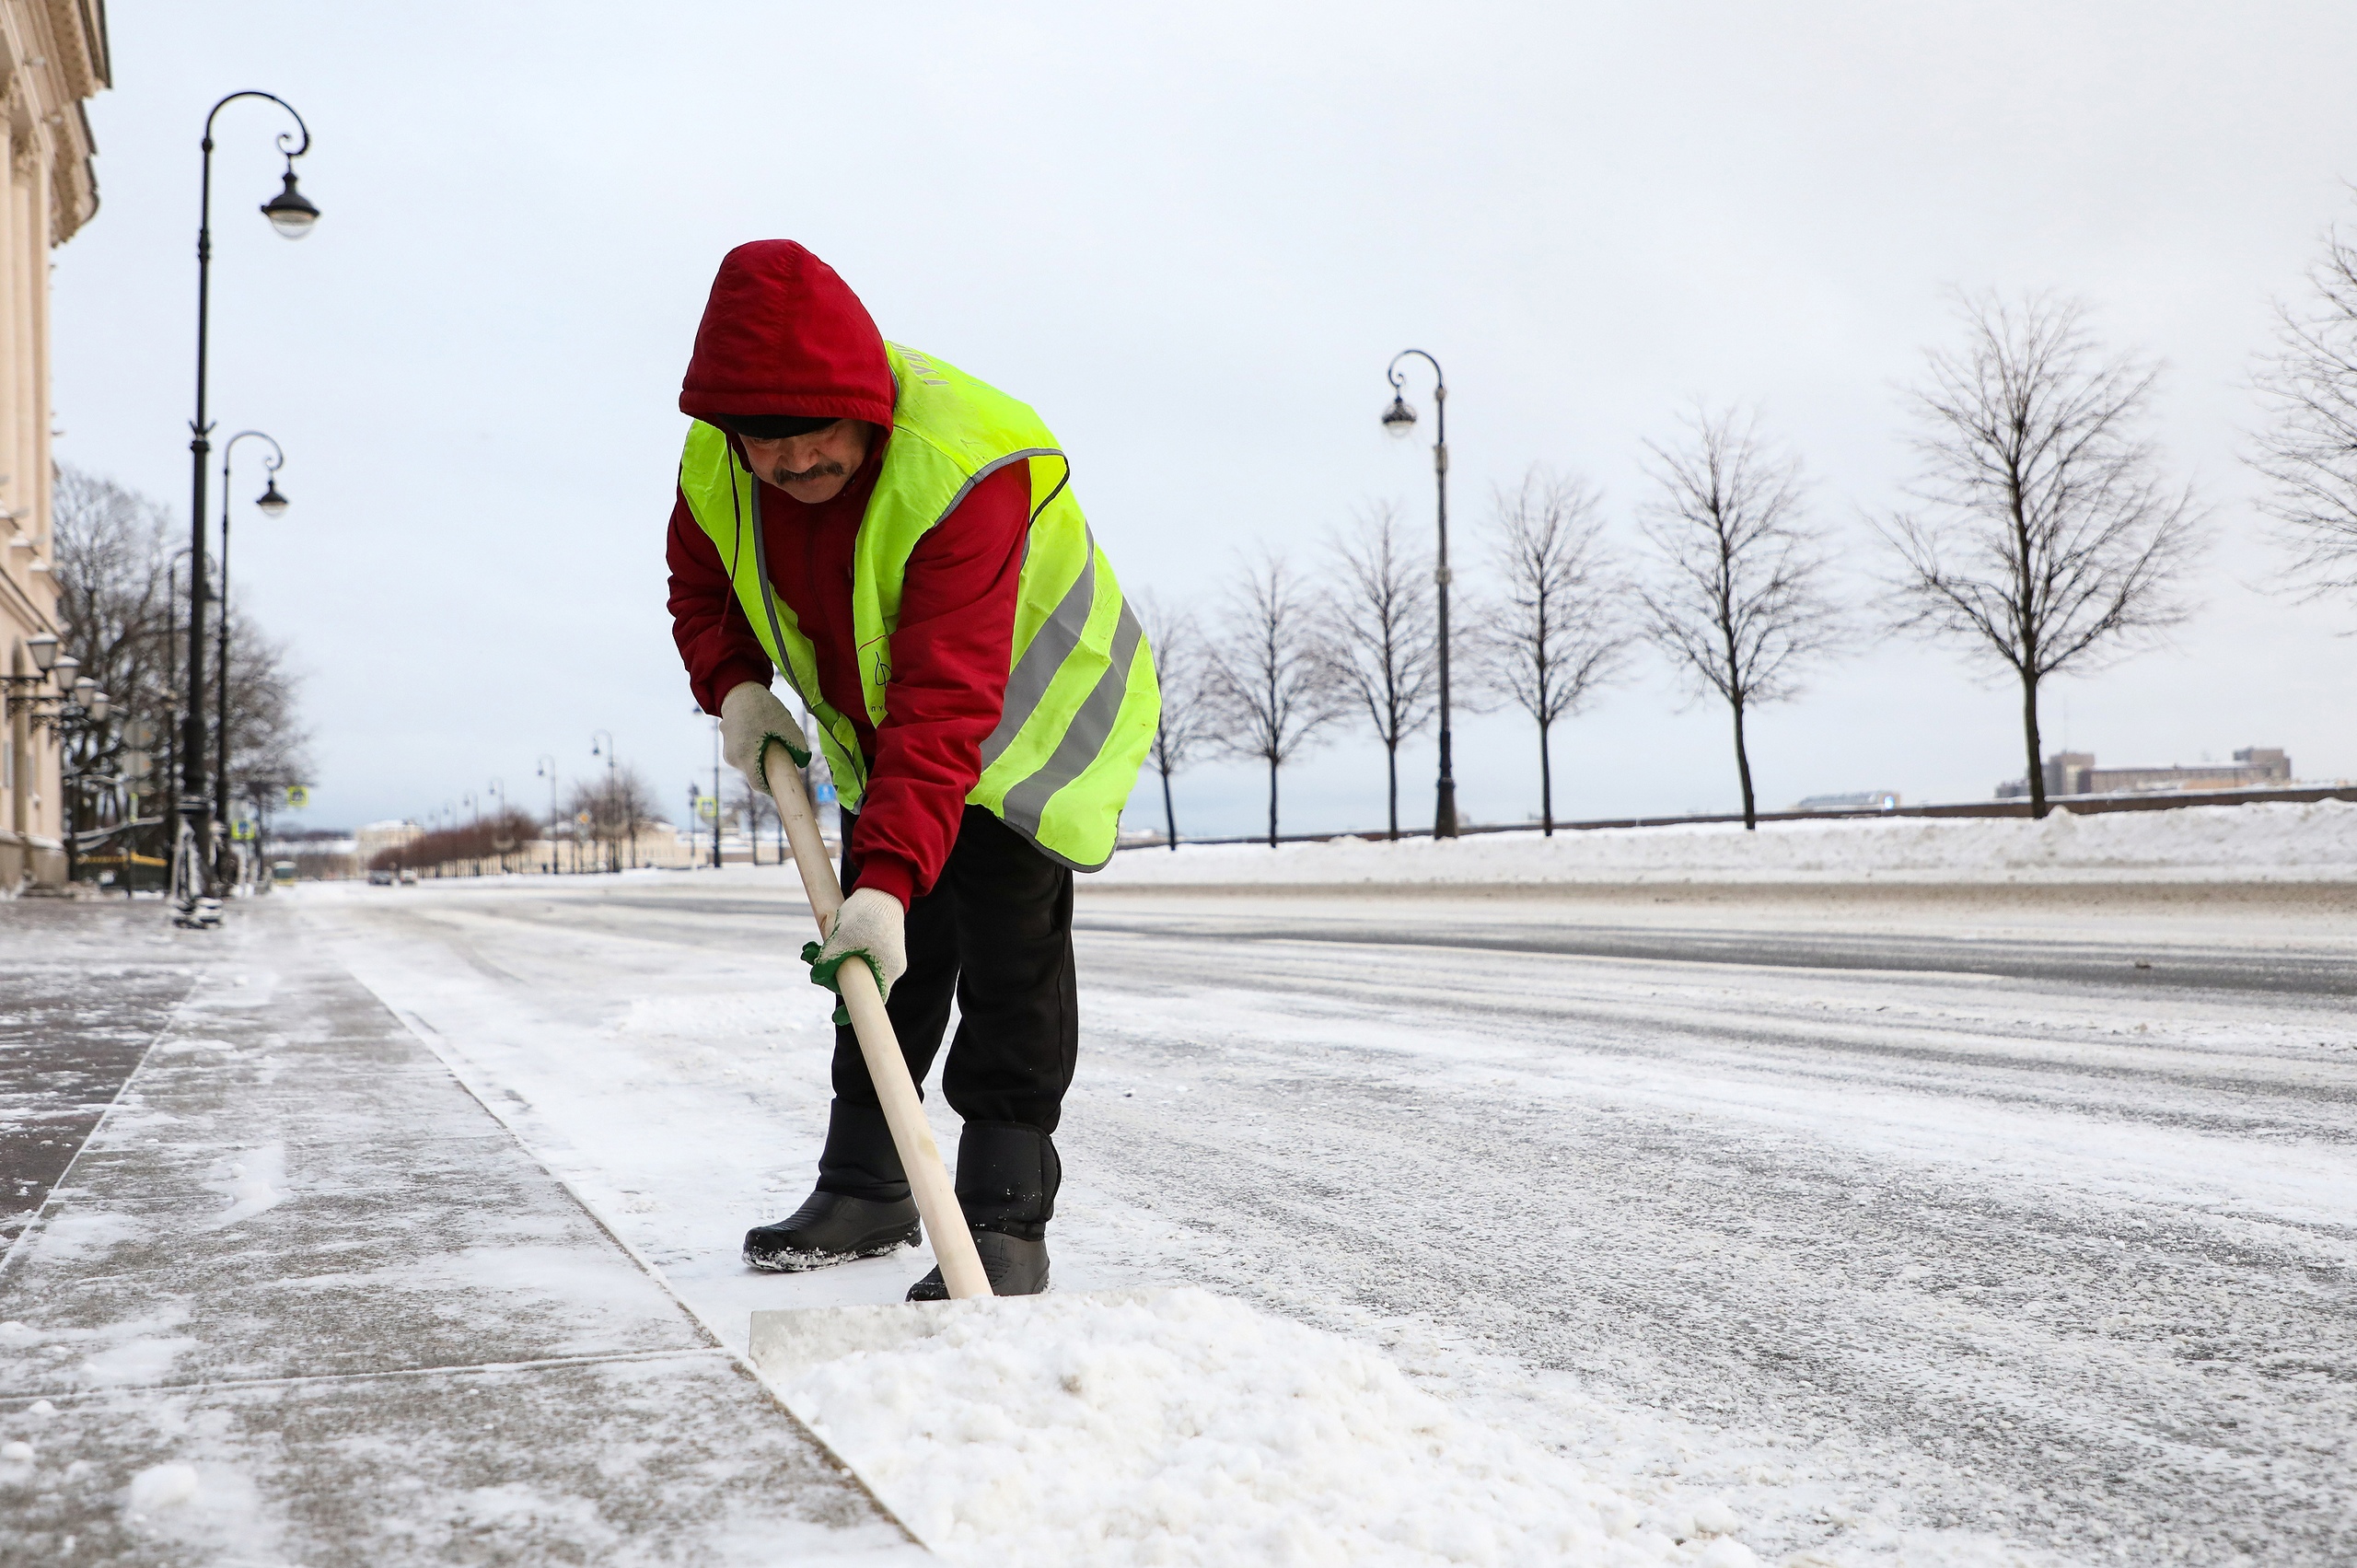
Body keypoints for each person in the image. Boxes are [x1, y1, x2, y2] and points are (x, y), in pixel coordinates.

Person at [666, 240, 1158, 1298]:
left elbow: (946, 694)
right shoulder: (716, 467)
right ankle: (869, 1179)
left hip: (1024, 717)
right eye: (769, 447)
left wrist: (888, 873)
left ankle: (999, 1218)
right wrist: (734, 685)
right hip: (888, 732)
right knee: (880, 957)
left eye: (818, 442)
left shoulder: (963, 464)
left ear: (866, 407)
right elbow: (700, 587)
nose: (795, 468)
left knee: (1005, 953)